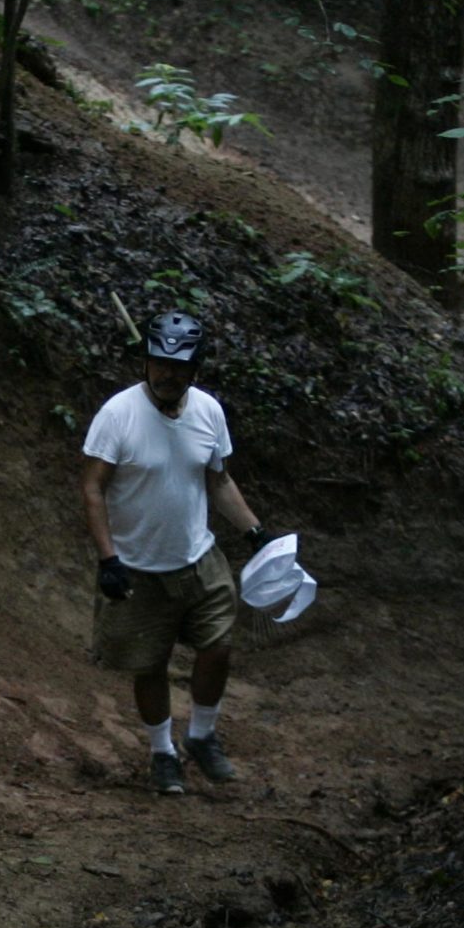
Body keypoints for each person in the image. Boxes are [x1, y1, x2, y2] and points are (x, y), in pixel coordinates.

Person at [80, 311, 271, 796]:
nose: (167, 374)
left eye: (179, 367)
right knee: (150, 665)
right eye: (159, 363)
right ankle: (162, 752)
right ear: (146, 361)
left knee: (218, 647)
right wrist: (108, 560)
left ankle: (202, 736)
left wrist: (254, 533)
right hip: (137, 566)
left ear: (195, 368)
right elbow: (93, 488)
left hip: (198, 557)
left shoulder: (208, 412)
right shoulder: (118, 415)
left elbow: (219, 480)